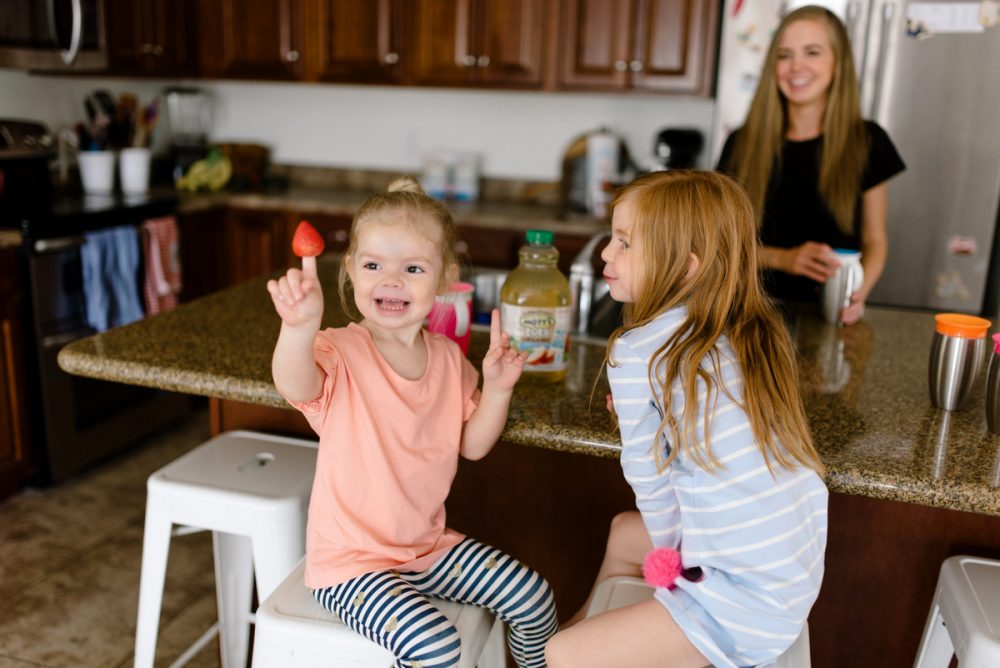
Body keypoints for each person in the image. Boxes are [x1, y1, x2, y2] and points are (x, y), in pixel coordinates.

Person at [267, 176, 558, 668]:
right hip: (351, 567)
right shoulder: (339, 350)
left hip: (427, 550)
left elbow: (472, 445)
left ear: (443, 279)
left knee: (534, 599)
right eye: (374, 265)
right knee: (439, 649)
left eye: (413, 268)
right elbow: (295, 385)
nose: (392, 279)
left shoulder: (449, 359)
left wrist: (499, 388)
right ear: (352, 273)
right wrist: (298, 329)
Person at [545, 170, 829, 668]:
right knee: (622, 533)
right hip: (786, 587)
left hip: (732, 606)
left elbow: (651, 481)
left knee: (561, 654)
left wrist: (674, 562)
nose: (606, 255)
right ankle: (591, 625)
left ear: (685, 269)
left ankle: (575, 648)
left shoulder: (640, 353)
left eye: (625, 243)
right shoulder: (748, 332)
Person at [717, 5, 905, 325]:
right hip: (748, 318)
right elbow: (719, 243)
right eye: (784, 55)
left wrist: (858, 293)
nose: (796, 67)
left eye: (812, 52)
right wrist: (783, 258)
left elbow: (876, 241)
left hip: (829, 322)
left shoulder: (868, 142)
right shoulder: (741, 144)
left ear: (838, 62)